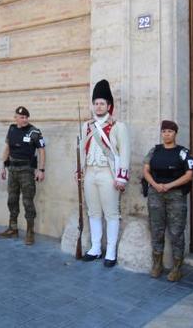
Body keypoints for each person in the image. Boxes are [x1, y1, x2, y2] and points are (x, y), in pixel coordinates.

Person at [79, 79, 130, 267]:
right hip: (90, 172)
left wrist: (121, 177)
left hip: (108, 173)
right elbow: (82, 149)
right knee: (93, 212)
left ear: (109, 106)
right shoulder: (87, 126)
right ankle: (95, 248)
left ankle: (110, 251)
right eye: (96, 103)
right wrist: (79, 170)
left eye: (102, 103)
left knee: (111, 213)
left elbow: (124, 152)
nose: (98, 106)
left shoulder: (118, 126)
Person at [143, 120, 193, 282]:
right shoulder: (154, 151)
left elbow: (189, 175)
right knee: (156, 229)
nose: (166, 134)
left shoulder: (183, 152)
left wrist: (168, 186)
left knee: (176, 231)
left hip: (176, 195)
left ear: (175, 134)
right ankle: (157, 264)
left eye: (170, 131)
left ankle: (177, 267)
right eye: (164, 131)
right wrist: (155, 185)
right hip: (156, 194)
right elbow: (146, 171)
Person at [0, 106, 46, 245]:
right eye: (22, 117)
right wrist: (3, 166)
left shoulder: (34, 131)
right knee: (12, 200)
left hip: (26, 170)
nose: (24, 120)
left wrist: (41, 170)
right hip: (12, 169)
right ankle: (13, 228)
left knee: (27, 201)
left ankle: (30, 232)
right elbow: (7, 148)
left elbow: (42, 150)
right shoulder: (12, 129)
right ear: (16, 118)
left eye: (26, 117)